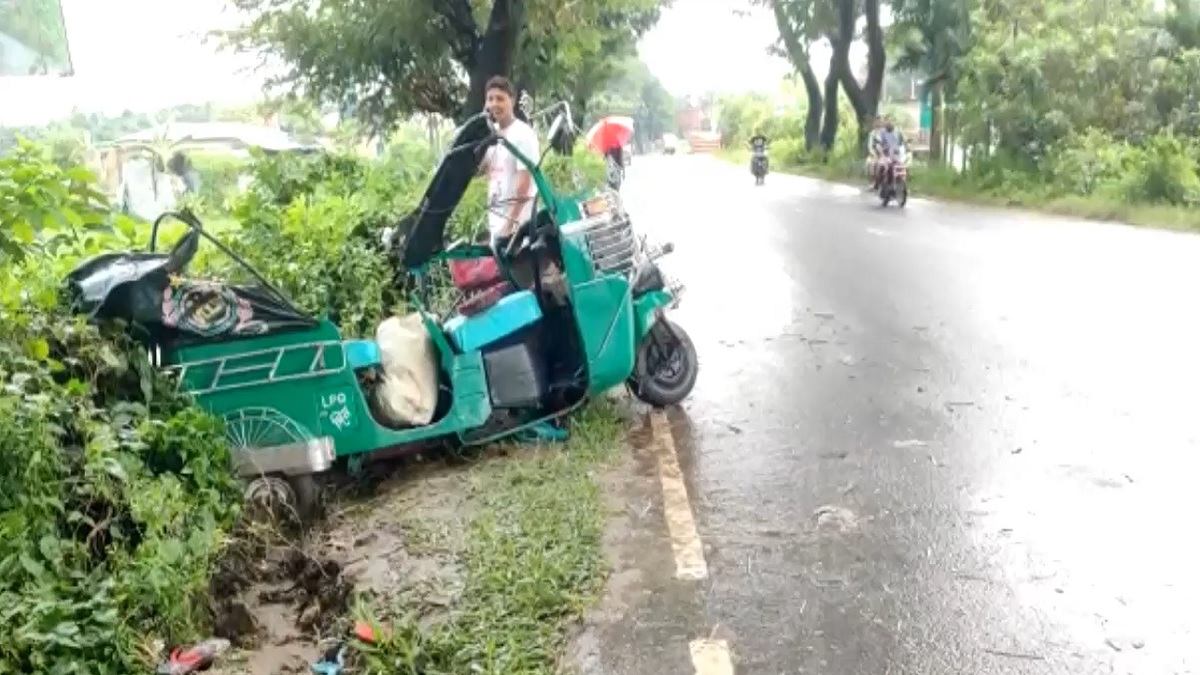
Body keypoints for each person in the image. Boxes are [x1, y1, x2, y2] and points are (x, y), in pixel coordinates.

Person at [479, 75, 540, 249]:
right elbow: (480, 169)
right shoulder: (491, 135)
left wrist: (510, 225)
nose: (494, 104)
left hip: (518, 230)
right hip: (497, 225)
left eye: (500, 99)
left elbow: (524, 185)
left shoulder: (522, 134)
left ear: (512, 101)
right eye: (490, 99)